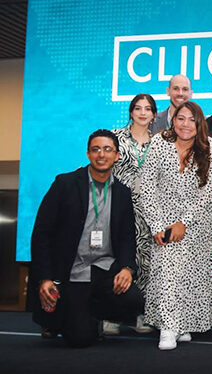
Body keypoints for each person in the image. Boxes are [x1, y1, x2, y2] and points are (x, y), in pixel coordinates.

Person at [30, 129, 144, 348]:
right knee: (80, 339)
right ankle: (69, 316)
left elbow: (126, 237)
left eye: (108, 149)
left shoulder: (122, 192)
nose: (101, 155)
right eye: (96, 149)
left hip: (104, 269)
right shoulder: (65, 184)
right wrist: (44, 278)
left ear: (117, 156)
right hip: (73, 272)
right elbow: (42, 233)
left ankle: (85, 315)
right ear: (88, 154)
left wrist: (127, 269)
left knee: (133, 299)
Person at [140, 102, 212, 350]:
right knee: (168, 271)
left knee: (192, 276)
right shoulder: (159, 142)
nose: (185, 124)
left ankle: (184, 324)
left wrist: (184, 222)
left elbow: (209, 190)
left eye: (191, 120)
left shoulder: (210, 146)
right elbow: (147, 185)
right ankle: (168, 327)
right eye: (181, 118)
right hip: (164, 220)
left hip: (198, 221)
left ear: (199, 124)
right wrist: (157, 225)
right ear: (173, 120)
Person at [104, 93, 157, 335]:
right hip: (119, 207)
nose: (142, 113)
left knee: (145, 261)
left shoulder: (159, 142)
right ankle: (112, 315)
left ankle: (139, 314)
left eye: (147, 109)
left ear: (154, 114)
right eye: (138, 108)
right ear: (131, 112)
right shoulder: (115, 137)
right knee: (117, 258)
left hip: (148, 211)